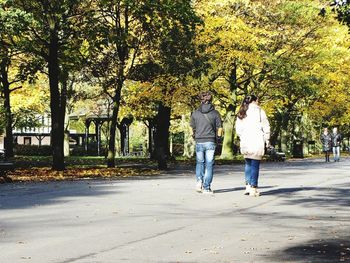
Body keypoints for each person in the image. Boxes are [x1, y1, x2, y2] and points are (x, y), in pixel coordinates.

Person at [235, 95, 270, 197]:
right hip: (256, 139)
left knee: (248, 163)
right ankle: (253, 188)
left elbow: (238, 129)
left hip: (245, 140)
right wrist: (267, 139)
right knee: (255, 164)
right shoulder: (260, 111)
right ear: (255, 101)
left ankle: (248, 186)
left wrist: (242, 136)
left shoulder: (242, 111)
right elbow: (266, 126)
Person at [190, 91, 223, 194]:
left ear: (201, 100)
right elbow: (220, 128)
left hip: (199, 141)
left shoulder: (195, 113)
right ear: (211, 100)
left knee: (200, 162)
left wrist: (194, 136)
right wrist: (219, 138)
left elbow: (191, 127)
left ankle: (199, 181)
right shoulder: (215, 113)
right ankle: (206, 187)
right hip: (210, 141)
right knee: (209, 164)